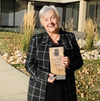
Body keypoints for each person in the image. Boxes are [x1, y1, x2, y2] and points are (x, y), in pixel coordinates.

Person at [25, 5, 83, 101]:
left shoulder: (69, 37)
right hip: (41, 89)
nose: (50, 22)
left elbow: (79, 61)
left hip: (65, 89)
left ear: (59, 19)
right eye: (46, 19)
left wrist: (69, 64)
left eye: (53, 18)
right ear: (42, 23)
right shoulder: (36, 40)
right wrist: (44, 75)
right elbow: (29, 64)